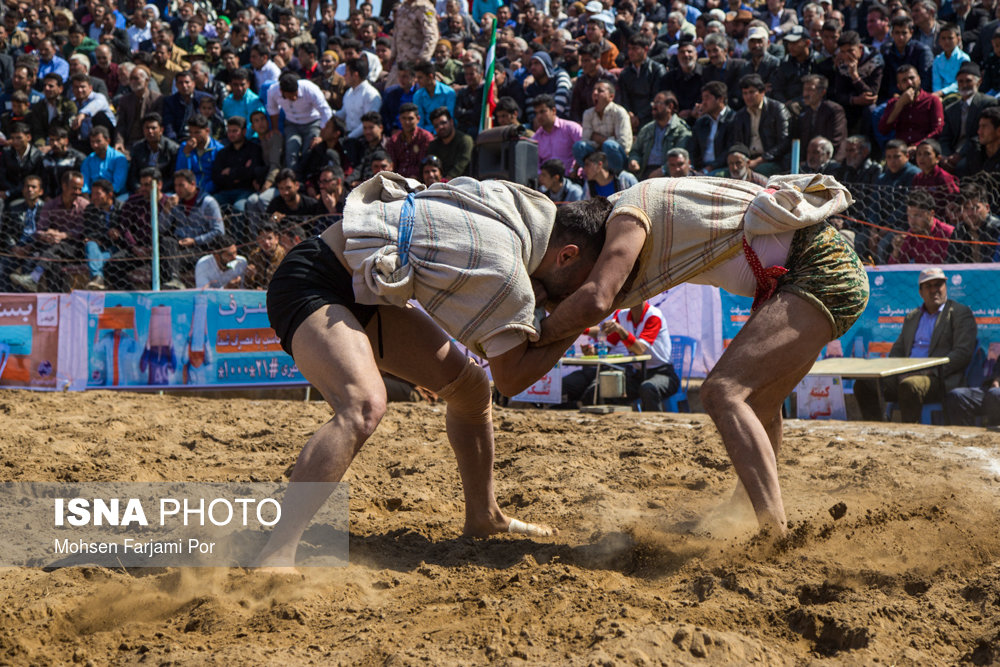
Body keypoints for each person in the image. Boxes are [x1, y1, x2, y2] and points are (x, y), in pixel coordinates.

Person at [255, 173, 607, 568]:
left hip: (371, 288)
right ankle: (278, 550)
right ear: (568, 254)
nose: (583, 291)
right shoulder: (499, 262)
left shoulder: (525, 215)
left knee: (471, 390)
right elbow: (512, 377)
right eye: (585, 281)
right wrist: (579, 316)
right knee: (364, 405)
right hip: (314, 279)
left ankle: (484, 517)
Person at [532, 174, 868, 534]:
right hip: (814, 271)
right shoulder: (631, 215)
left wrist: (537, 336)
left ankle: (775, 531)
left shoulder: (628, 217)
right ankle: (748, 509)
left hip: (820, 268)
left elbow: (596, 298)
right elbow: (592, 300)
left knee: (722, 391)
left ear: (570, 254)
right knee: (758, 403)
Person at [855, 268, 976, 423]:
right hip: (905, 375)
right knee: (864, 384)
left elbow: (962, 353)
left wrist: (928, 371)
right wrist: (896, 372)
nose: (934, 290)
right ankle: (876, 428)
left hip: (938, 378)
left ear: (946, 287)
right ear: (920, 292)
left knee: (910, 386)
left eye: (938, 285)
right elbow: (897, 351)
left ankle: (910, 432)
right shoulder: (912, 317)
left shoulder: (960, 313)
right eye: (928, 286)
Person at [562, 301, 681, 410]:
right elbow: (606, 346)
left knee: (648, 389)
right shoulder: (622, 315)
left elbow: (640, 349)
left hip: (663, 373)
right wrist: (593, 351)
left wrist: (621, 331)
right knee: (604, 391)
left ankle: (654, 426)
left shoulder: (653, 315)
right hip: (638, 374)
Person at [267, 72, 334, 172]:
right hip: (292, 124)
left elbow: (326, 112)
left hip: (312, 122)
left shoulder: (310, 89)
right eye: (290, 96)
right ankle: (293, 177)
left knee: (309, 149)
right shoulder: (273, 91)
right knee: (291, 150)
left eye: (295, 95)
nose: (294, 98)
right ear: (281, 91)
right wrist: (275, 128)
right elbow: (273, 110)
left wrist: (322, 136)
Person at [877, 65, 944, 147]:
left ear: (919, 79)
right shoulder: (894, 103)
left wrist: (917, 146)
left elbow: (938, 130)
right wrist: (900, 104)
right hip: (901, 152)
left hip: (924, 149)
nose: (909, 83)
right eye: (904, 81)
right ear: (899, 86)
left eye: (912, 78)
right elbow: (883, 129)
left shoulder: (932, 100)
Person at [888, 188, 954, 265]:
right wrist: (896, 251)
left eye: (917, 215)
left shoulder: (948, 234)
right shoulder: (910, 236)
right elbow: (895, 270)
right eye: (909, 216)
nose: (912, 222)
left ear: (931, 213)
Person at [688, 81, 734, 174]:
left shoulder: (733, 119)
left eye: (707, 98)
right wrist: (691, 167)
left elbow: (730, 150)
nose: (703, 103)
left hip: (723, 168)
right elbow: (693, 149)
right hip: (702, 168)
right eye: (702, 99)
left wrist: (710, 168)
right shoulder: (701, 122)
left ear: (720, 99)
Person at [946, 355, 1000, 426]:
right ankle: (965, 435)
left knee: (995, 393)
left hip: (995, 393)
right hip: (990, 391)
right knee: (957, 395)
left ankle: (993, 434)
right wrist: (996, 380)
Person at [533, 94, 581, 175]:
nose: (539, 116)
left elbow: (583, 151)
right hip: (547, 184)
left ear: (554, 111)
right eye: (536, 113)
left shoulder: (572, 128)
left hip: (572, 177)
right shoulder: (535, 138)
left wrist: (575, 169)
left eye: (542, 112)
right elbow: (535, 165)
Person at [386, 103, 434, 180]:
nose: (407, 122)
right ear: (399, 119)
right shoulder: (394, 140)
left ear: (418, 119)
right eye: (404, 118)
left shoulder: (425, 138)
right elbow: (392, 165)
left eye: (410, 118)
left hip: (419, 181)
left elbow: (425, 165)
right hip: (398, 181)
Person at [427, 107, 473, 179]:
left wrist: (445, 181)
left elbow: (460, 166)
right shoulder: (433, 145)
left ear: (451, 122)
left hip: (463, 182)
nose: (440, 127)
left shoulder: (465, 140)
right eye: (436, 126)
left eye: (443, 123)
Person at [81, 126, 128, 196]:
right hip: (93, 197)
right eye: (92, 142)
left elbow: (118, 185)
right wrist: (87, 195)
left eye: (98, 141)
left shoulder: (119, 158)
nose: (95, 145)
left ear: (108, 141)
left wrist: (103, 195)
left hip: (115, 196)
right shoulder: (88, 160)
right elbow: (85, 184)